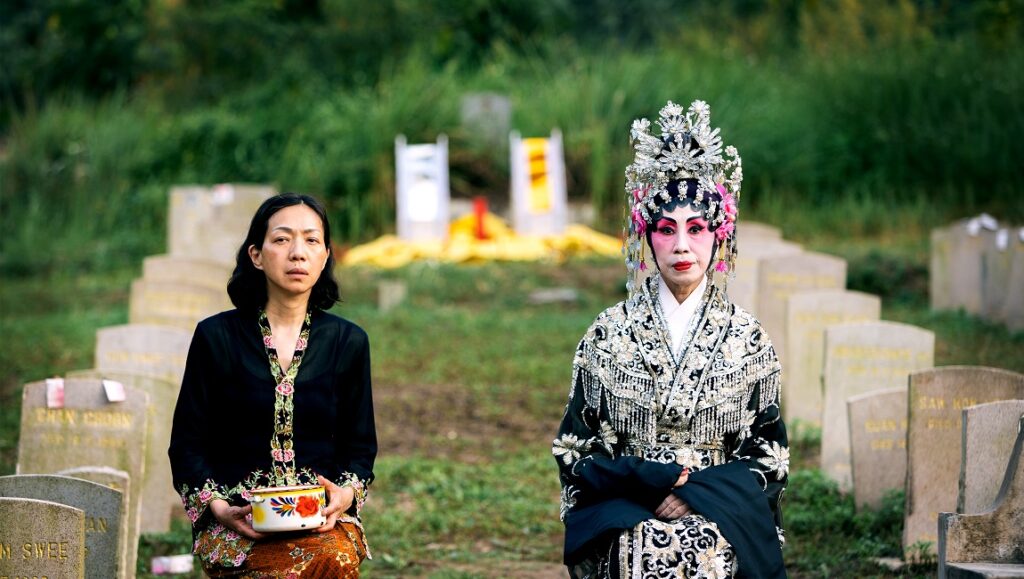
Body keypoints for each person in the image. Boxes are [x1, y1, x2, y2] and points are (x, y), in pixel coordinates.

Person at [554, 101, 788, 579]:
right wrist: (646, 485)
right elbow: (576, 449)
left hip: (722, 509)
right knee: (637, 548)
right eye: (666, 229)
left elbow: (768, 457)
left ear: (720, 236)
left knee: (708, 551)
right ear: (646, 237)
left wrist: (695, 495)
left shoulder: (748, 339)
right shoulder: (607, 333)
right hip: (628, 506)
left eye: (696, 228)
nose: (682, 245)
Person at [169, 193, 377, 578]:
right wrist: (219, 509)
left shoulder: (348, 342)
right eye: (282, 239)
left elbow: (360, 449)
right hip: (239, 523)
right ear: (256, 255)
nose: (298, 253)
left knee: (330, 559)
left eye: (311, 240)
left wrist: (344, 495)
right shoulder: (216, 337)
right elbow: (186, 446)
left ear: (325, 256)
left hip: (321, 522)